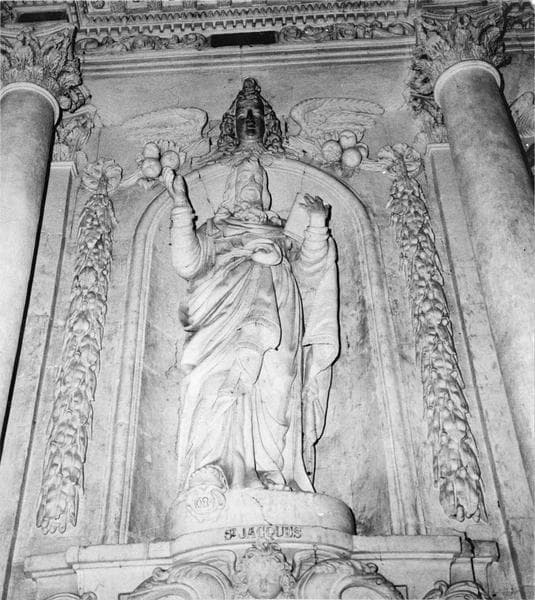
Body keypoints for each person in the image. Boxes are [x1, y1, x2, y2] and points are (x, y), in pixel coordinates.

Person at [166, 157, 338, 494]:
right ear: (231, 188)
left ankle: (270, 470)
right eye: (245, 177)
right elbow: (187, 263)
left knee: (277, 388)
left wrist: (317, 226)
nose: (253, 183)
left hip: (281, 319)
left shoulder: (282, 232)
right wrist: (181, 206)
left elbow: (310, 271)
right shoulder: (215, 230)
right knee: (217, 383)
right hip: (222, 320)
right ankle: (213, 467)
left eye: (258, 179)